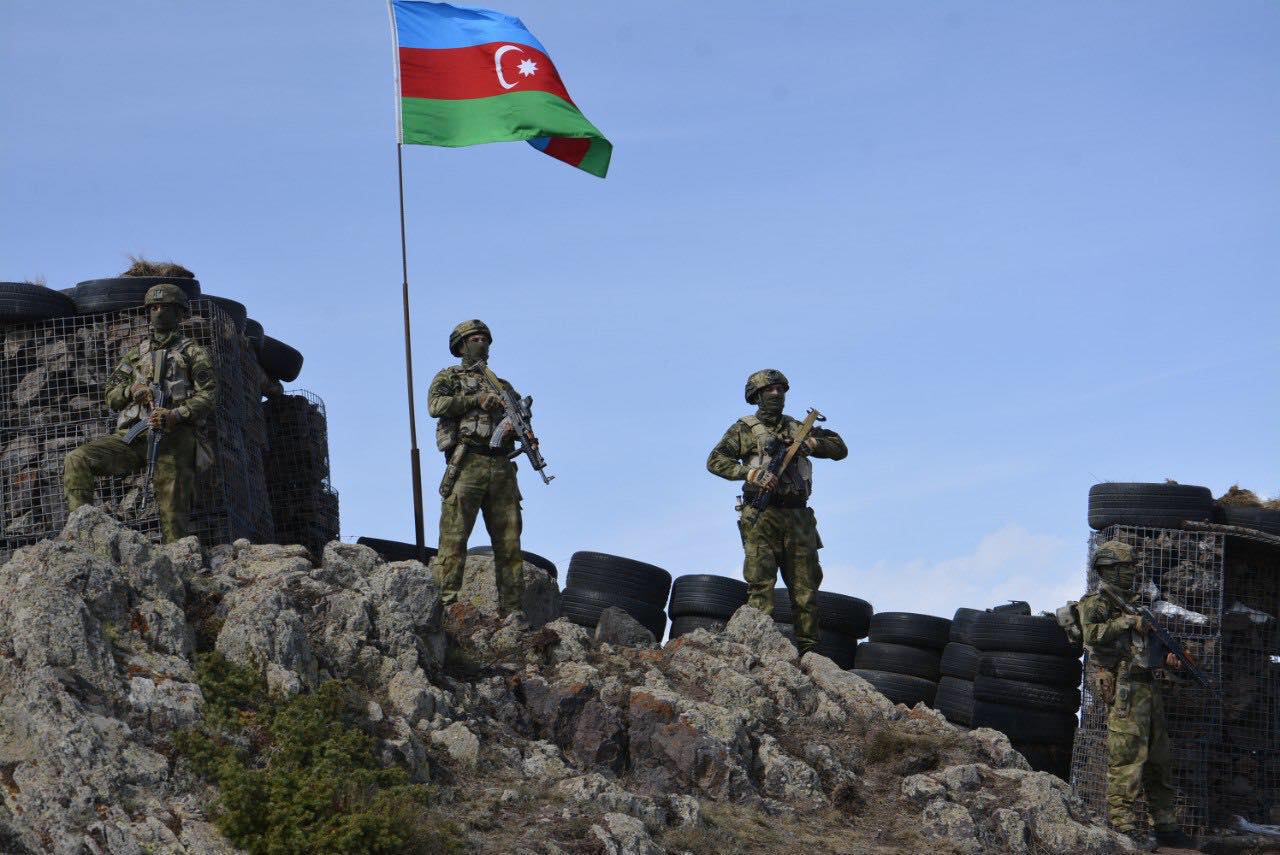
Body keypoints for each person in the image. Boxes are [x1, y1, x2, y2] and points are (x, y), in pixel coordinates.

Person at [706, 369, 847, 655]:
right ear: (756, 395)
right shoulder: (744, 429)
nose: (776, 394)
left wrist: (812, 444)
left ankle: (809, 652)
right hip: (762, 514)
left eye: (780, 389)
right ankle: (757, 650)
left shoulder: (798, 427)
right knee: (761, 584)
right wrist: (750, 474)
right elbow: (716, 460)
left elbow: (839, 447)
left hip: (798, 517)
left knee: (806, 588)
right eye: (769, 390)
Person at [63, 283, 217, 542]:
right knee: (77, 459)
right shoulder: (136, 355)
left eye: (165, 307)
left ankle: (177, 555)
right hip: (135, 435)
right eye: (153, 307)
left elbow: (209, 395)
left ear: (179, 312)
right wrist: (131, 390)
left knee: (172, 508)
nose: (159, 312)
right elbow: (111, 394)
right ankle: (81, 537)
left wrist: (176, 414)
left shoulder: (193, 352)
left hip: (175, 437)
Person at [1080, 540, 1195, 851]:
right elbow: (1091, 634)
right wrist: (1128, 621)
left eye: (1132, 566)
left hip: (1147, 688)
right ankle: (1124, 827)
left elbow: (1147, 651)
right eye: (1126, 567)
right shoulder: (1097, 603)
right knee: (1127, 759)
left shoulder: (1134, 605)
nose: (1132, 572)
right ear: (1109, 569)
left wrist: (1169, 659)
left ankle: (1166, 826)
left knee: (1160, 760)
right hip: (1124, 689)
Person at [427, 319, 528, 621]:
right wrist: (476, 400)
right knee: (454, 538)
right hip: (468, 461)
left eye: (485, 339)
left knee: (509, 542)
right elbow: (435, 405)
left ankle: (512, 610)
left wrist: (521, 428)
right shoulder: (450, 377)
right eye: (475, 339)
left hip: (501, 466)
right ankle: (446, 606)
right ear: (461, 346)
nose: (481, 343)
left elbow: (520, 420)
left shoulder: (503, 386)